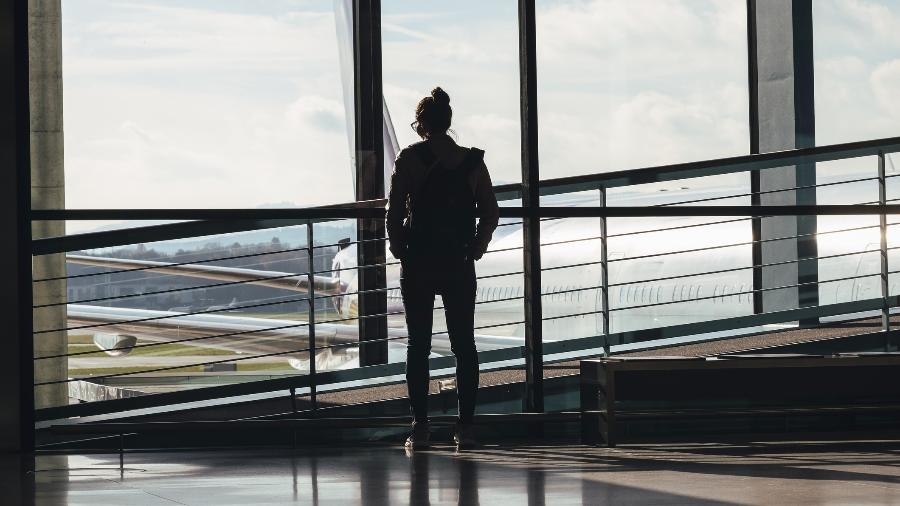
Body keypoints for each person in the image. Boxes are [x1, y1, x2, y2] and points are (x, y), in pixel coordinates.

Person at [386, 87, 499, 449]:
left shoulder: (409, 159)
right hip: (458, 262)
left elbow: (393, 215)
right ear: (449, 123)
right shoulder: (472, 162)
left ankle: (420, 427)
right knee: (464, 345)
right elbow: (491, 212)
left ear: (421, 124)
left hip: (419, 263)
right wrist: (476, 248)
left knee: (418, 346)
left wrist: (401, 249)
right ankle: (465, 426)